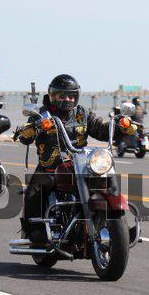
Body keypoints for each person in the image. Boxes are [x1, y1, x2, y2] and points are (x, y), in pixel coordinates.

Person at [16, 74, 136, 245]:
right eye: (62, 95)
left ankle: (120, 228)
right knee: (34, 190)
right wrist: (28, 131)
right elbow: (25, 136)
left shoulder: (82, 113)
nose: (67, 99)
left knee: (106, 177)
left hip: (81, 163)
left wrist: (121, 127)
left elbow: (101, 129)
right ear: (52, 95)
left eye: (71, 96)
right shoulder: (42, 115)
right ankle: (35, 231)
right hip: (51, 166)